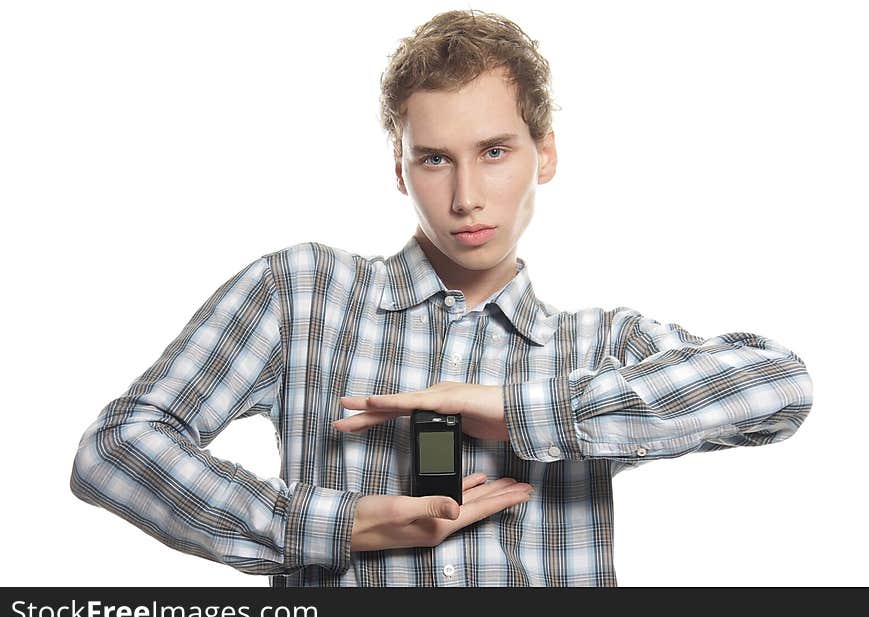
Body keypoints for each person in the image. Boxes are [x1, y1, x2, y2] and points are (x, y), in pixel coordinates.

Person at [70, 9, 813, 587]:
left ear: (544, 153)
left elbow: (781, 385)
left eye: (495, 152)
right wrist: (336, 524)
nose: (465, 197)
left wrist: (527, 408)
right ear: (399, 168)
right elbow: (116, 448)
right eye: (433, 159)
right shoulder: (304, 294)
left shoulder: (594, 347)